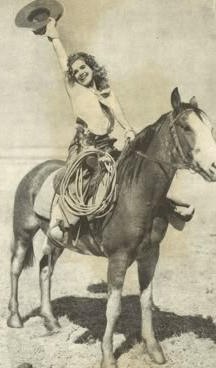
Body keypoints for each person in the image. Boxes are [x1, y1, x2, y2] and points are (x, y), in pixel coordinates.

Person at [36, 18, 136, 254]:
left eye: (83, 68)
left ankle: (168, 206)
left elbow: (119, 112)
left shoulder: (105, 90)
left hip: (106, 145)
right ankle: (59, 224)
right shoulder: (74, 89)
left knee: (133, 169)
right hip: (84, 145)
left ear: (92, 67)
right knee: (77, 178)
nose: (80, 73)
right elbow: (63, 61)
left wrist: (129, 129)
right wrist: (54, 36)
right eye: (76, 71)